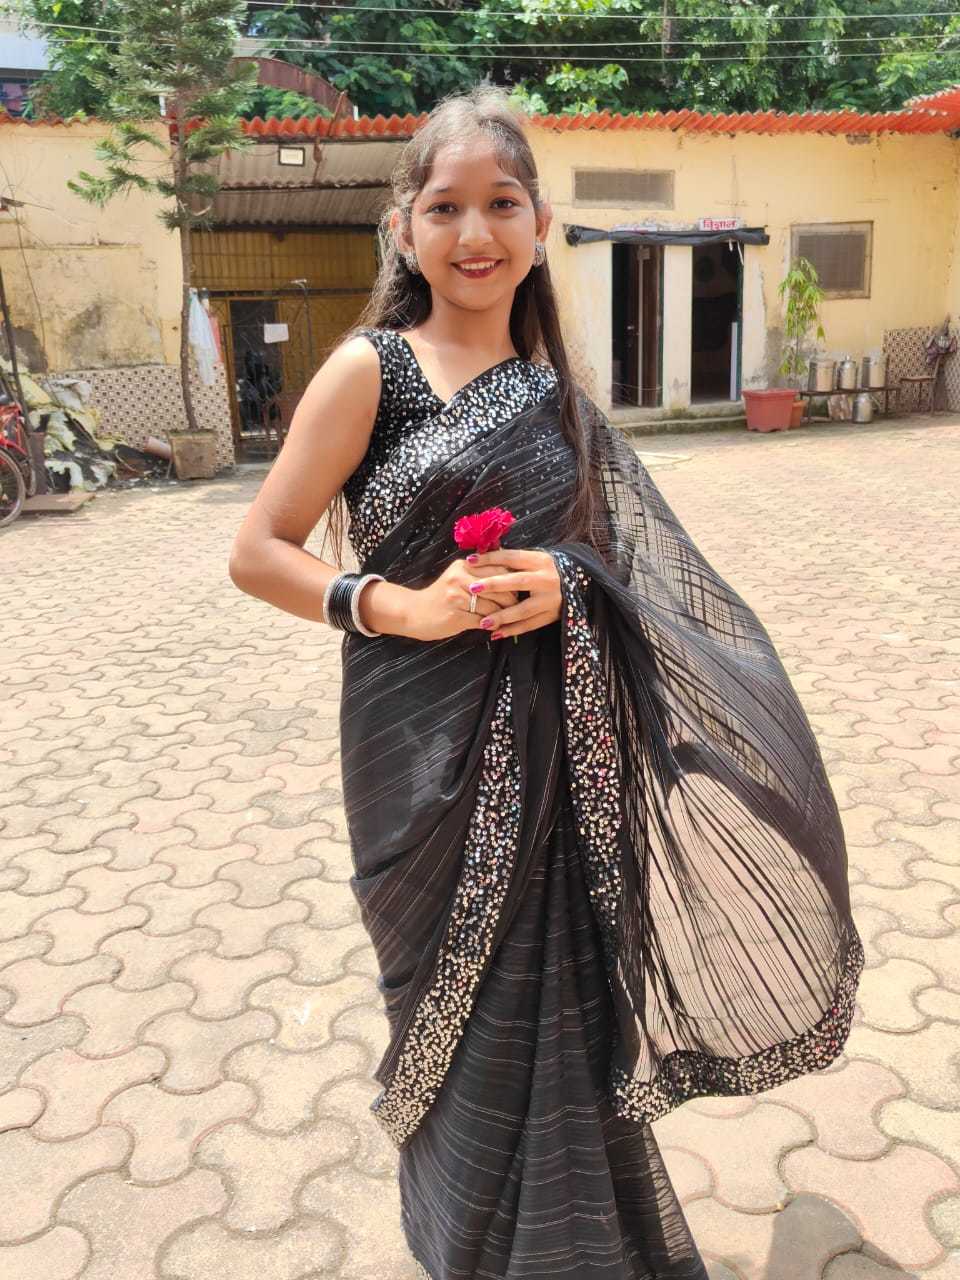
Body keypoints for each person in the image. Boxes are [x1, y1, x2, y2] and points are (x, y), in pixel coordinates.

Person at [228, 84, 865, 1280]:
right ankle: (470, 1241)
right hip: (414, 757)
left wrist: (568, 583)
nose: (474, 232)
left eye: (501, 204)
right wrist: (397, 602)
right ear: (404, 228)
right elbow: (257, 549)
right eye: (445, 206)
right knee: (451, 1017)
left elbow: (633, 573)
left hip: (549, 766)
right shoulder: (372, 371)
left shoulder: (557, 398)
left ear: (539, 224)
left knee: (554, 1011)